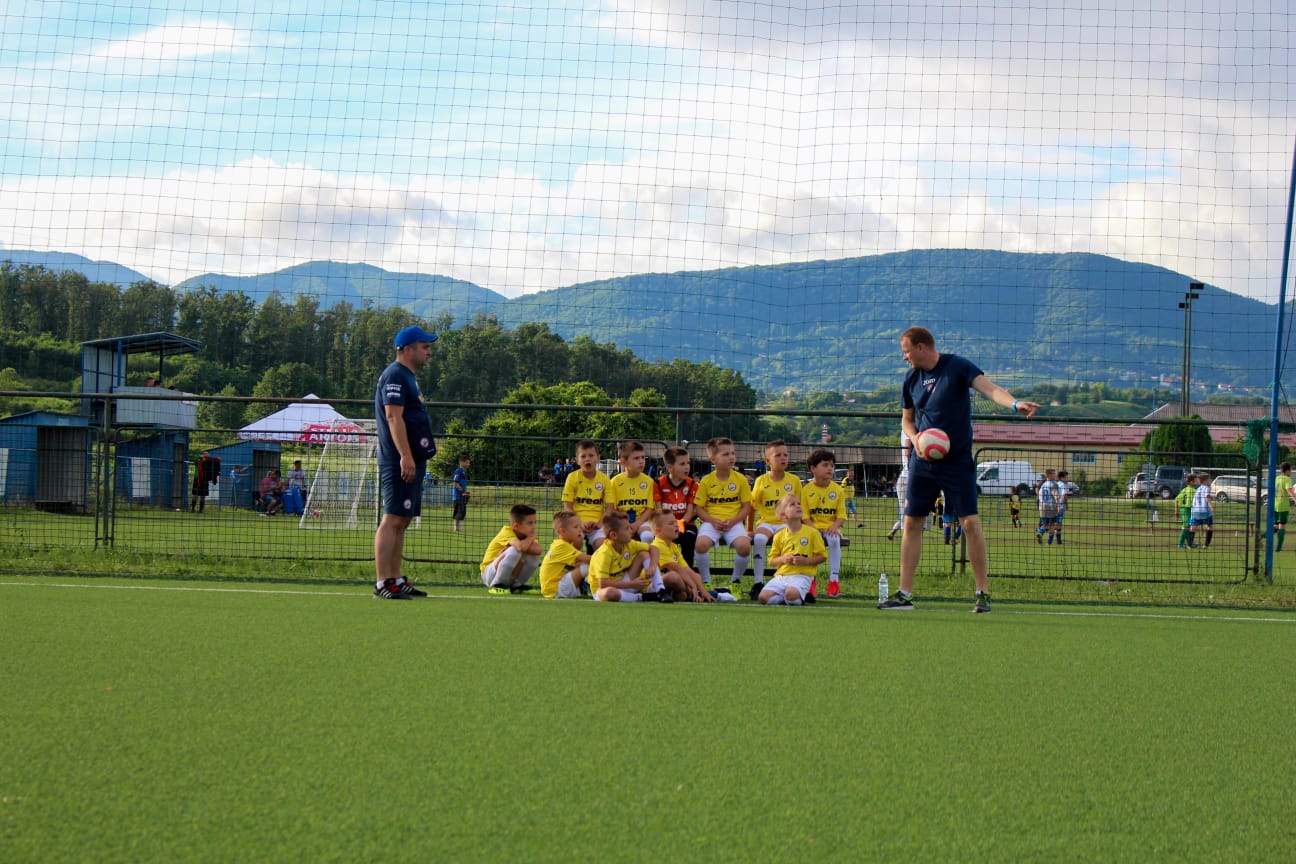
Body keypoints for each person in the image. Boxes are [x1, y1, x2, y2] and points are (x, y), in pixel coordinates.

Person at [879, 326, 1040, 613]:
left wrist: (1015, 404)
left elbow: (990, 389)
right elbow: (906, 420)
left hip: (957, 461)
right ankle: (904, 594)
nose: (904, 357)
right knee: (912, 523)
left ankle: (982, 593)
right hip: (923, 462)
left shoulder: (957, 366)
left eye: (905, 351)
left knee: (970, 524)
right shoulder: (911, 378)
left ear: (921, 348)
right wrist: (916, 438)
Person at [372, 324, 439, 600]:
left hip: (409, 458)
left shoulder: (407, 376)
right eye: (425, 347)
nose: (429, 352)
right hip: (398, 459)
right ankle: (382, 582)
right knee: (392, 518)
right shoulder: (396, 375)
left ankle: (396, 579)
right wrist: (405, 456)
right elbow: (393, 417)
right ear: (408, 349)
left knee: (404, 518)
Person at [692, 436, 753, 594]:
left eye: (732, 453)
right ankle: (706, 583)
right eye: (725, 454)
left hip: (733, 523)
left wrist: (733, 521)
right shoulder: (706, 481)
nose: (731, 457)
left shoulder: (741, 480)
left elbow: (747, 507)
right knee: (700, 545)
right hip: (711, 523)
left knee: (745, 546)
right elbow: (699, 508)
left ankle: (735, 583)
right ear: (713, 458)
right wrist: (712, 521)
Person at [747, 439, 802, 593]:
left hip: (787, 524)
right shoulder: (761, 481)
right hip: (766, 523)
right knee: (758, 539)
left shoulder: (794, 481)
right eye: (778, 455)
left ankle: (785, 582)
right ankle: (758, 582)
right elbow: (752, 507)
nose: (783, 458)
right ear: (768, 461)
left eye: (785, 455)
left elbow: (800, 506)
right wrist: (749, 529)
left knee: (787, 542)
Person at [758, 493, 826, 606]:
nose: (798, 506)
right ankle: (786, 599)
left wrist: (806, 561)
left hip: (802, 575)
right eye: (792, 504)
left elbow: (822, 556)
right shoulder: (779, 536)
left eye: (799, 503)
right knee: (763, 597)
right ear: (783, 515)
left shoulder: (812, 533)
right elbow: (772, 561)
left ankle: (796, 597)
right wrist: (783, 559)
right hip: (782, 576)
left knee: (791, 594)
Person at [588, 512, 665, 602]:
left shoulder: (629, 544)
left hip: (626, 584)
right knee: (609, 593)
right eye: (626, 528)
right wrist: (631, 584)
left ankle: (661, 591)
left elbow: (654, 549)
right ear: (614, 535)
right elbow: (603, 584)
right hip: (605, 589)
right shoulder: (604, 553)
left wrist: (652, 566)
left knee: (644, 554)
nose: (631, 530)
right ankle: (641, 597)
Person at [800, 448, 847, 597]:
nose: (830, 469)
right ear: (813, 468)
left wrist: (834, 526)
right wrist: (813, 529)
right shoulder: (806, 490)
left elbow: (841, 516)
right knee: (810, 542)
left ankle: (834, 581)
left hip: (829, 529)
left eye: (832, 466)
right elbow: (804, 516)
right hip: (811, 528)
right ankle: (811, 582)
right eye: (825, 465)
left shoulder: (838, 490)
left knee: (834, 540)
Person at [649, 511, 713, 602]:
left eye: (675, 522)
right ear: (658, 531)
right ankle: (692, 593)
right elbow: (677, 568)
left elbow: (686, 569)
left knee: (696, 576)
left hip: (671, 585)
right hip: (653, 586)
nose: (676, 525)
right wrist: (694, 587)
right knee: (674, 577)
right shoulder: (658, 546)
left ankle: (684, 594)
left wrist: (703, 590)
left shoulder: (673, 546)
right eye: (671, 523)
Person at [480, 503, 543, 594]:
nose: (534, 526)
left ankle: (516, 585)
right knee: (514, 550)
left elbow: (538, 550)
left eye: (534, 523)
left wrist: (527, 542)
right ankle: (497, 585)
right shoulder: (507, 532)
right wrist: (529, 539)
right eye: (530, 523)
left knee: (533, 556)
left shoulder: (527, 535)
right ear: (516, 526)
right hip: (489, 574)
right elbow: (520, 547)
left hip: (509, 575)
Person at [562, 439, 611, 551]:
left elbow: (610, 508)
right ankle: (577, 568)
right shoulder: (572, 477)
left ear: (598, 458)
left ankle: (595, 567)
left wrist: (599, 523)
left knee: (603, 547)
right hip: (576, 522)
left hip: (597, 525)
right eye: (583, 456)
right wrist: (580, 523)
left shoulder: (605, 479)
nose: (587, 459)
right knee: (575, 542)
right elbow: (568, 507)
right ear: (577, 460)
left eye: (591, 455)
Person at [655, 446, 699, 566]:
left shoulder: (692, 485)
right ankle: (664, 574)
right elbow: (659, 510)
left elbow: (690, 511)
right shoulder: (659, 484)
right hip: (665, 524)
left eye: (688, 463)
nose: (687, 467)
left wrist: (680, 523)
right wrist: (670, 525)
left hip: (686, 523)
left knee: (689, 538)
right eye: (682, 464)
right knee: (660, 542)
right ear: (670, 467)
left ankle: (687, 575)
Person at [607, 440, 659, 543]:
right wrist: (624, 524)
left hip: (642, 521)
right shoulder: (614, 482)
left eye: (643, 457)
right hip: (621, 521)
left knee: (647, 536)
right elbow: (612, 510)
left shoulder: (649, 482)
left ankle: (645, 558)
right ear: (623, 462)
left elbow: (649, 509)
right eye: (636, 458)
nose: (641, 461)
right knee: (616, 537)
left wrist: (636, 524)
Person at [539, 511, 592, 599]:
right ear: (562, 531)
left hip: (554, 589)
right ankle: (591, 585)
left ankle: (588, 584)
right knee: (589, 565)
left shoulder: (561, 544)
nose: (580, 530)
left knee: (582, 565)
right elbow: (589, 559)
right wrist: (606, 556)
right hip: (555, 589)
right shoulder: (562, 546)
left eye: (579, 526)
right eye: (576, 527)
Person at [886, 433, 913, 541]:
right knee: (905, 514)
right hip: (907, 478)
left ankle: (894, 531)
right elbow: (907, 451)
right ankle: (905, 537)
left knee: (906, 514)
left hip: (910, 478)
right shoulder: (909, 430)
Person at [1036, 469, 1061, 545]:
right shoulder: (1054, 484)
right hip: (1051, 507)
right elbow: (1057, 497)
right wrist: (1059, 506)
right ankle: (1049, 542)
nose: (1055, 475)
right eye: (1053, 473)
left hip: (1042, 507)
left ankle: (1040, 532)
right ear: (1049, 475)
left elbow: (1040, 496)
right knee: (1052, 525)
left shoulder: (1043, 484)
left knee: (1045, 524)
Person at [1190, 472, 1214, 548]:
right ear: (1205, 481)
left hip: (1195, 510)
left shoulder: (1198, 489)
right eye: (1208, 479)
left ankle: (1189, 544)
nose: (1210, 481)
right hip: (1205, 510)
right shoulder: (1206, 488)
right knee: (1210, 526)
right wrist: (1211, 507)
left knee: (1193, 527)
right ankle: (1206, 545)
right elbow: (1207, 497)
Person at [1175, 473, 1200, 549]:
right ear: (1191, 482)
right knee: (1186, 526)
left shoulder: (1184, 489)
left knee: (1189, 526)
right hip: (1187, 509)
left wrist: (1176, 511)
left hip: (1183, 510)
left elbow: (1176, 500)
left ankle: (1190, 543)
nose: (1197, 482)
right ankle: (1180, 544)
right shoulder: (1193, 491)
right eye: (1195, 481)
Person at [1275, 462, 1294, 551]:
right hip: (1283, 505)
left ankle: (1261, 536)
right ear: (1287, 470)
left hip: (1276, 504)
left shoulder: (1277, 478)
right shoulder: (1287, 479)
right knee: (1282, 526)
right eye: (1291, 469)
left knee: (1276, 526)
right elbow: (1290, 491)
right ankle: (1278, 547)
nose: (1291, 471)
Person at [451, 454, 471, 532]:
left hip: (461, 495)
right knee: (460, 511)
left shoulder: (463, 471)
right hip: (458, 496)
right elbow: (455, 483)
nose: (468, 464)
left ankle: (458, 528)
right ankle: (457, 528)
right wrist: (462, 491)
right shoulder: (458, 471)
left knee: (462, 511)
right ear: (461, 462)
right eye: (467, 462)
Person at [1055, 469, 1071, 544]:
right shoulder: (1064, 485)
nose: (1067, 479)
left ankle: (1041, 530)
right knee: (1059, 523)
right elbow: (1064, 495)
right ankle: (1058, 541)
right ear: (1061, 478)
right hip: (1060, 506)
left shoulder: (1057, 484)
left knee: (1054, 522)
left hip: (1053, 506)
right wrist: (1067, 504)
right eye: (1066, 477)